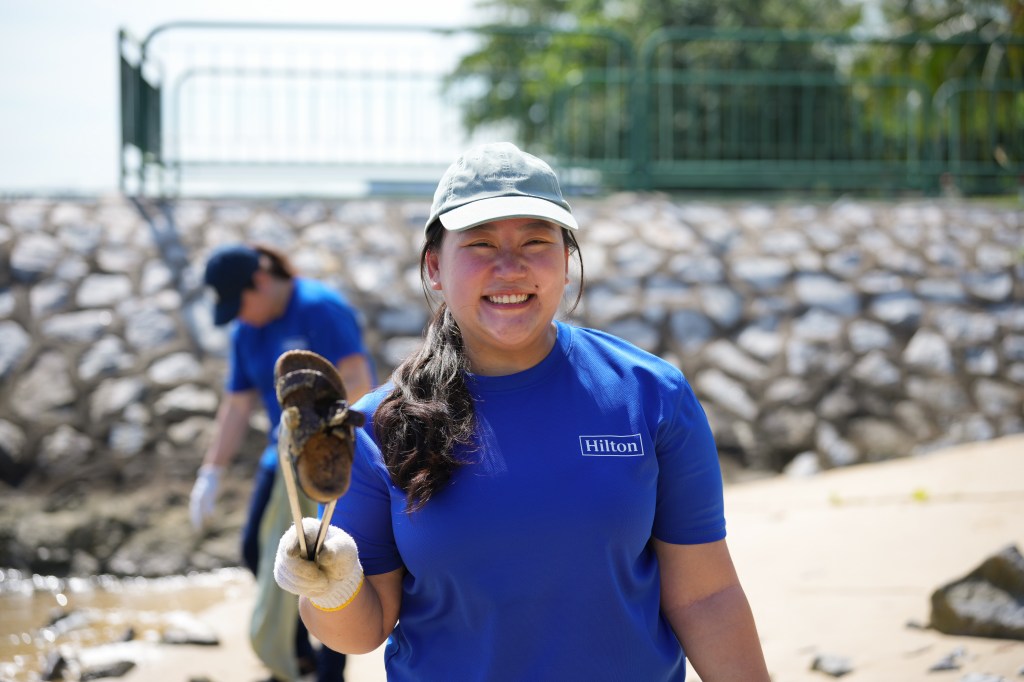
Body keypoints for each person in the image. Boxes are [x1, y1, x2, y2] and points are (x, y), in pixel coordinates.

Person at [273, 142, 770, 680]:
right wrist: (330, 584)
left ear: (566, 260)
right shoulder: (382, 426)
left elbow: (706, 595)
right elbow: (362, 632)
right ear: (435, 268)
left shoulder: (650, 394)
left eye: (536, 242)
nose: (509, 268)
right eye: (481, 245)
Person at [190, 242, 375, 682]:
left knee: (325, 562)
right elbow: (236, 406)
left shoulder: (319, 308)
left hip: (331, 459)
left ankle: (330, 668)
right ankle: (300, 658)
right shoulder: (246, 331)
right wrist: (210, 472)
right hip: (282, 458)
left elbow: (358, 379)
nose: (240, 314)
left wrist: (335, 442)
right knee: (258, 550)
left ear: (261, 281)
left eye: (241, 302)